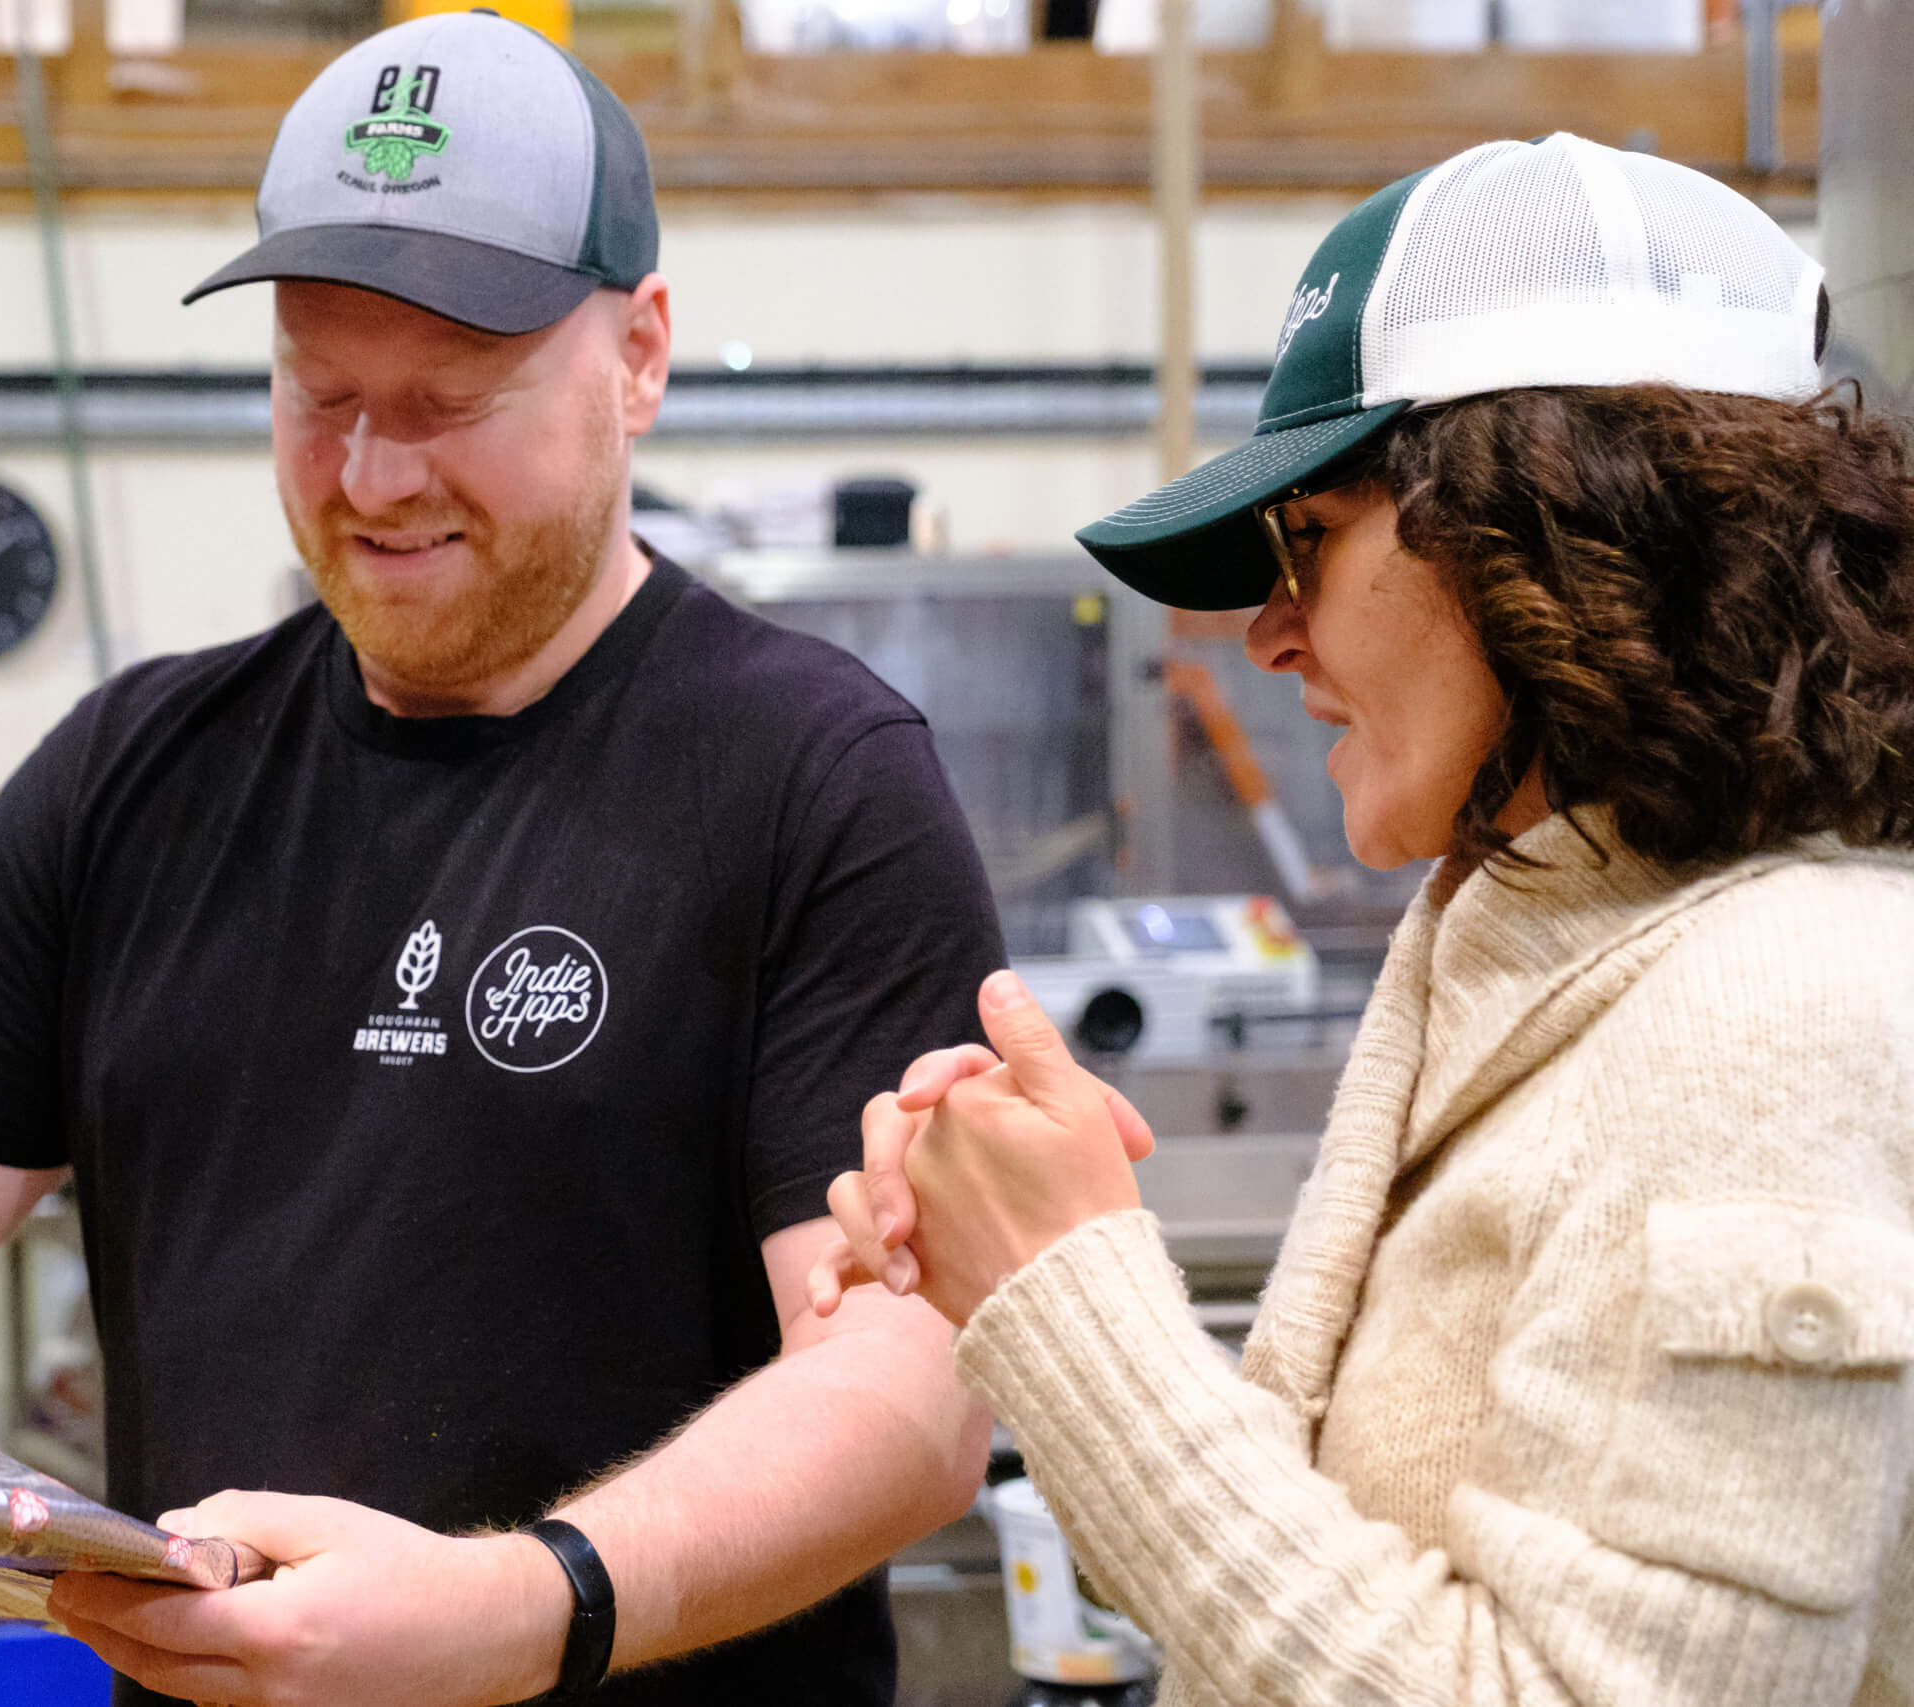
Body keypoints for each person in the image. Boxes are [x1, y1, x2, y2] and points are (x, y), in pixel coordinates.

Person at [0, 13, 1005, 1705]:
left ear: (636, 355)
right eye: (318, 392)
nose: (371, 476)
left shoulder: (812, 785)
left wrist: (528, 1605)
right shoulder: (136, 775)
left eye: (447, 401)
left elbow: (909, 1384)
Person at [816, 132, 1914, 1704]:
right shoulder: (1516, 932)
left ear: (1555, 526)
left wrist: (1079, 1304)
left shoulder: (1774, 1013)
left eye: (1310, 544)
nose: (1268, 635)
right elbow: (1306, 1573)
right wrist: (1034, 1295)